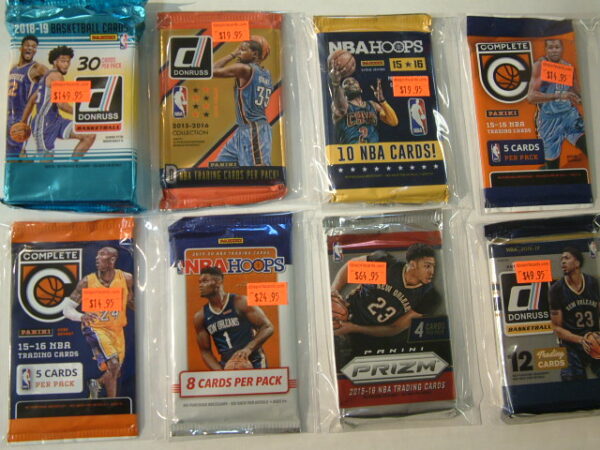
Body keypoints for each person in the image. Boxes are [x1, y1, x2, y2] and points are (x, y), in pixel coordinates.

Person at [331, 243, 440, 356]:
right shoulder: (388, 267)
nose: (432, 271)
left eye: (433, 266)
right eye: (427, 266)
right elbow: (351, 269)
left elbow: (394, 328)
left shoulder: (429, 296)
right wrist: (334, 291)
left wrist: (354, 328)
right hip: (349, 313)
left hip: (373, 336)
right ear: (413, 264)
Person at [62, 247, 134, 398]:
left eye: (102, 255)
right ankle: (112, 404)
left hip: (117, 330)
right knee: (113, 363)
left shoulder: (126, 278)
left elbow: (131, 301)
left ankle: (97, 384)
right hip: (95, 328)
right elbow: (66, 309)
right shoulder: (87, 281)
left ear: (112, 259)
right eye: (97, 255)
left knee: (115, 371)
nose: (97, 258)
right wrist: (81, 316)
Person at [22, 45, 95, 160]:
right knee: (46, 161)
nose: (66, 64)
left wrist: (23, 122)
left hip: (57, 120)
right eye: (63, 61)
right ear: (54, 62)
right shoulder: (56, 76)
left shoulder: (45, 77)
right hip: (44, 123)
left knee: (89, 135)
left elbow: (31, 101)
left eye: (68, 61)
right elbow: (61, 104)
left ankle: (72, 166)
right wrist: (81, 115)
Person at [193, 267, 274, 370]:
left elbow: (267, 327)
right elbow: (205, 351)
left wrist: (248, 349)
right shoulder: (200, 316)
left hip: (254, 361)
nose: (200, 285)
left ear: (218, 282)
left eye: (205, 281)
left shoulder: (240, 302)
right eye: (199, 282)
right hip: (227, 365)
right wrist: (220, 372)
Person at [527, 39, 586, 170]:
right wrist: (558, 96)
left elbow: (575, 89)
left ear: (562, 49)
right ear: (546, 50)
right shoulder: (540, 66)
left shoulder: (568, 66)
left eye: (557, 47)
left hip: (569, 116)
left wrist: (580, 98)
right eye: (550, 47)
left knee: (589, 147)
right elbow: (531, 97)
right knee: (553, 168)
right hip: (549, 120)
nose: (554, 50)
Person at [212, 38, 273, 166]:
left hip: (254, 129)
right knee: (218, 168)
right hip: (244, 130)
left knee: (257, 172)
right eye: (239, 50)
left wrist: (232, 54)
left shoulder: (244, 69)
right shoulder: (267, 74)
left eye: (243, 50)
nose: (239, 53)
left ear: (255, 54)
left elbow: (211, 71)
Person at [549, 247, 600, 380]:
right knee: (572, 383)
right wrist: (581, 340)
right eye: (561, 259)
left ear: (577, 263)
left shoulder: (593, 283)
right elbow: (556, 328)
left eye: (566, 258)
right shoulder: (556, 289)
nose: (562, 262)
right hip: (571, 345)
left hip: (595, 339)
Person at [329, 68, 398, 144]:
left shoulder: (372, 105)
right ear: (344, 92)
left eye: (354, 82)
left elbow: (393, 122)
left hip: (372, 150)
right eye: (347, 83)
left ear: (361, 89)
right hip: (351, 150)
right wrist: (336, 84)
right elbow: (340, 106)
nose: (351, 83)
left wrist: (382, 101)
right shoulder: (341, 106)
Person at [6, 34, 47, 158]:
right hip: (9, 115)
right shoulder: (13, 68)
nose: (30, 48)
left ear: (35, 51)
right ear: (21, 48)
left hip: (21, 117)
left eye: (34, 47)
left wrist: (39, 93)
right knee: (9, 154)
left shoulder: (37, 68)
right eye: (27, 45)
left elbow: (55, 79)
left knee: (16, 154)